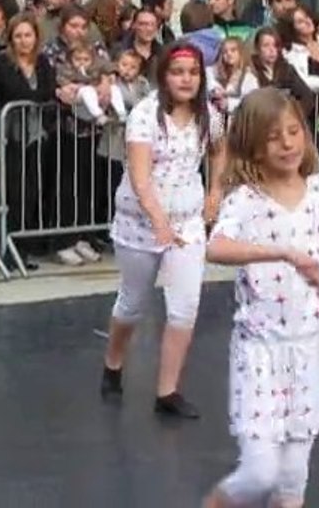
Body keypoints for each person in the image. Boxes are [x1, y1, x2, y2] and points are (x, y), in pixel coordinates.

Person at [202, 88, 319, 508]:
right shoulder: (246, 201)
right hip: (259, 352)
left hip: (307, 350)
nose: (287, 144)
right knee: (258, 473)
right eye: (273, 137)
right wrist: (282, 253)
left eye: (293, 132)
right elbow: (217, 247)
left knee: (292, 481)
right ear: (253, 144)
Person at [100, 41, 227, 419]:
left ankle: (167, 390)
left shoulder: (208, 114)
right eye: (177, 72)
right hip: (141, 223)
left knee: (185, 306)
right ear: (164, 76)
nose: (186, 80)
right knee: (133, 302)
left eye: (193, 73)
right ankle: (113, 362)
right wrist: (158, 221)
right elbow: (140, 176)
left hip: (187, 220)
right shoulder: (145, 115)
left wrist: (215, 191)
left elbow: (220, 149)